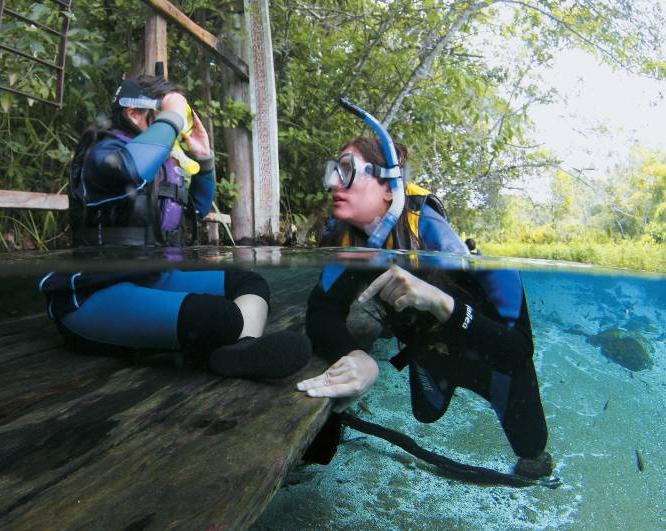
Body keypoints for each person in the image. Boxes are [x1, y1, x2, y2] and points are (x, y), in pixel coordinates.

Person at [296, 128, 552, 478]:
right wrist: (356, 354)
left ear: (389, 187)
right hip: (432, 353)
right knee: (426, 413)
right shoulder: (349, 242)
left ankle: (535, 463)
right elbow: (322, 312)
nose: (333, 183)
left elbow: (518, 351)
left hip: (495, 359)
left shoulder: (455, 250)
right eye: (332, 171)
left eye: (346, 169)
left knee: (532, 449)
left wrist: (441, 303)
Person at [40, 75, 309, 379]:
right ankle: (230, 337)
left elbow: (198, 207)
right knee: (219, 318)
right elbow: (132, 168)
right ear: (134, 114)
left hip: (152, 277)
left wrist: (205, 159)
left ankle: (242, 351)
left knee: (249, 282)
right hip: (95, 293)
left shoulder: (163, 161)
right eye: (170, 113)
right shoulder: (102, 152)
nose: (177, 125)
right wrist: (172, 115)